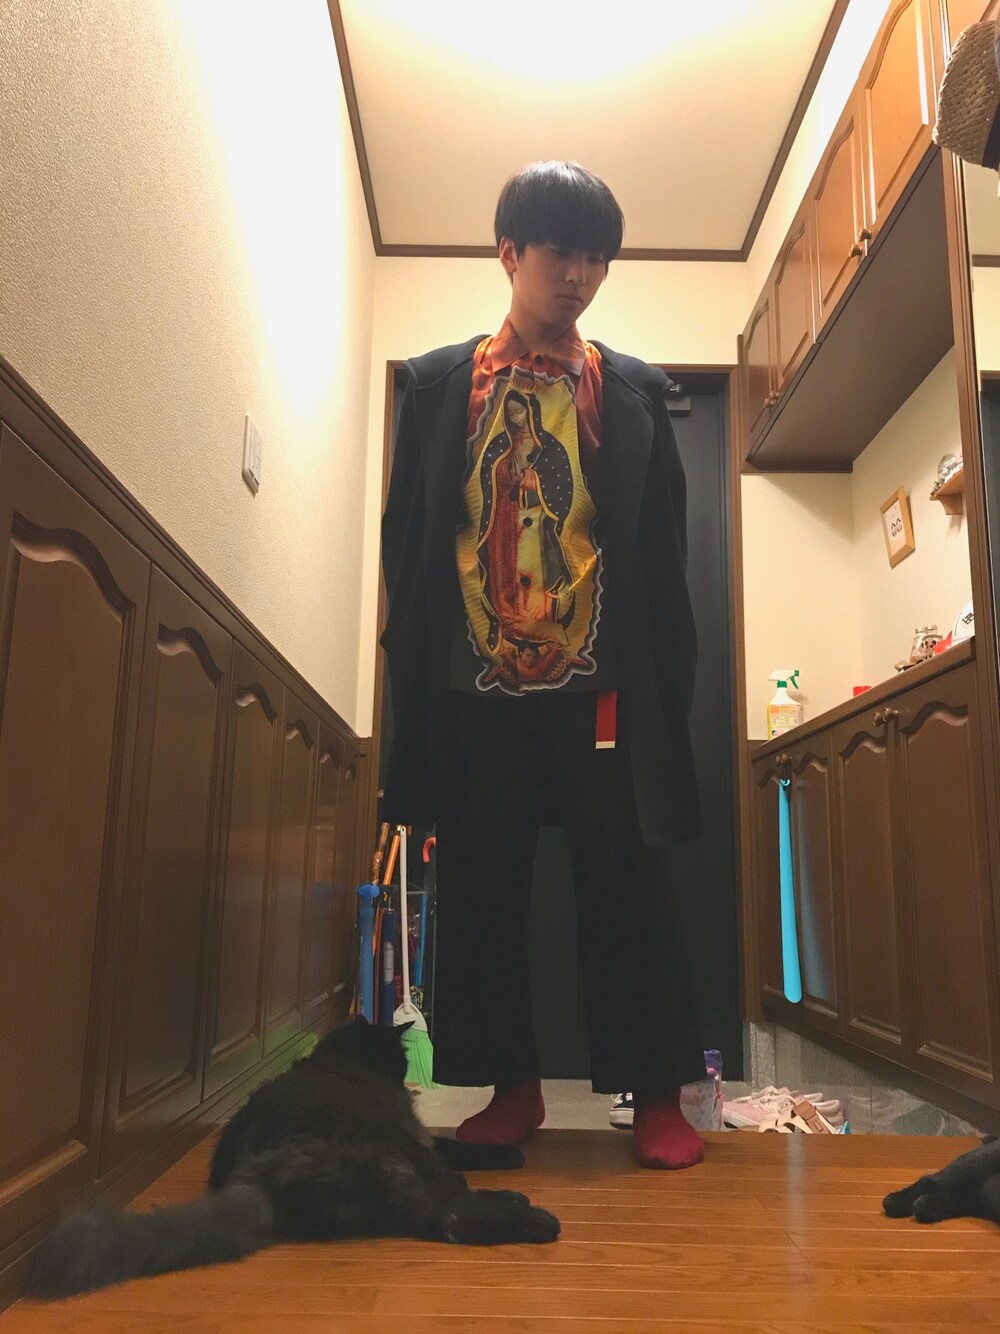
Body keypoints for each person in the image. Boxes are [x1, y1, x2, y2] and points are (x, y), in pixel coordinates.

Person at [380, 160, 705, 1169]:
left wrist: (666, 688)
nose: (580, 275)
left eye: (597, 257)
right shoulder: (437, 385)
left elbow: (661, 553)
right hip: (473, 689)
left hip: (602, 688)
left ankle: (658, 1096)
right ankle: (510, 1089)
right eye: (561, 251)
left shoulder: (633, 390)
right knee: (483, 886)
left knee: (629, 883)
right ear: (509, 252)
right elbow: (409, 543)